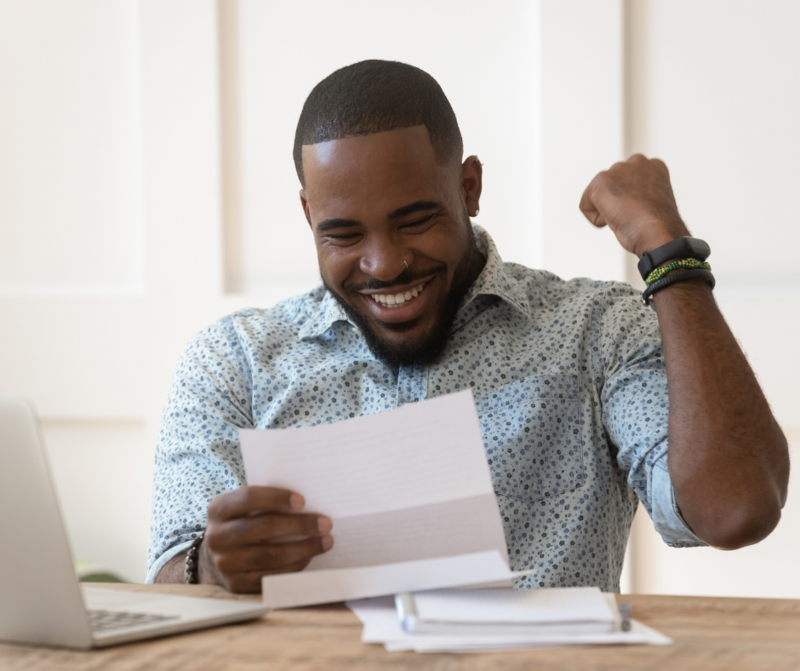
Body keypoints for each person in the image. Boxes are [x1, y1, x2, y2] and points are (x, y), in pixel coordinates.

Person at [148, 60, 789, 593]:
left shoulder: (598, 333)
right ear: (307, 213)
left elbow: (734, 509)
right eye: (342, 233)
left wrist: (667, 251)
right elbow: (170, 575)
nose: (385, 263)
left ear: (470, 186)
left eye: (415, 220)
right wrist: (211, 566)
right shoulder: (233, 362)